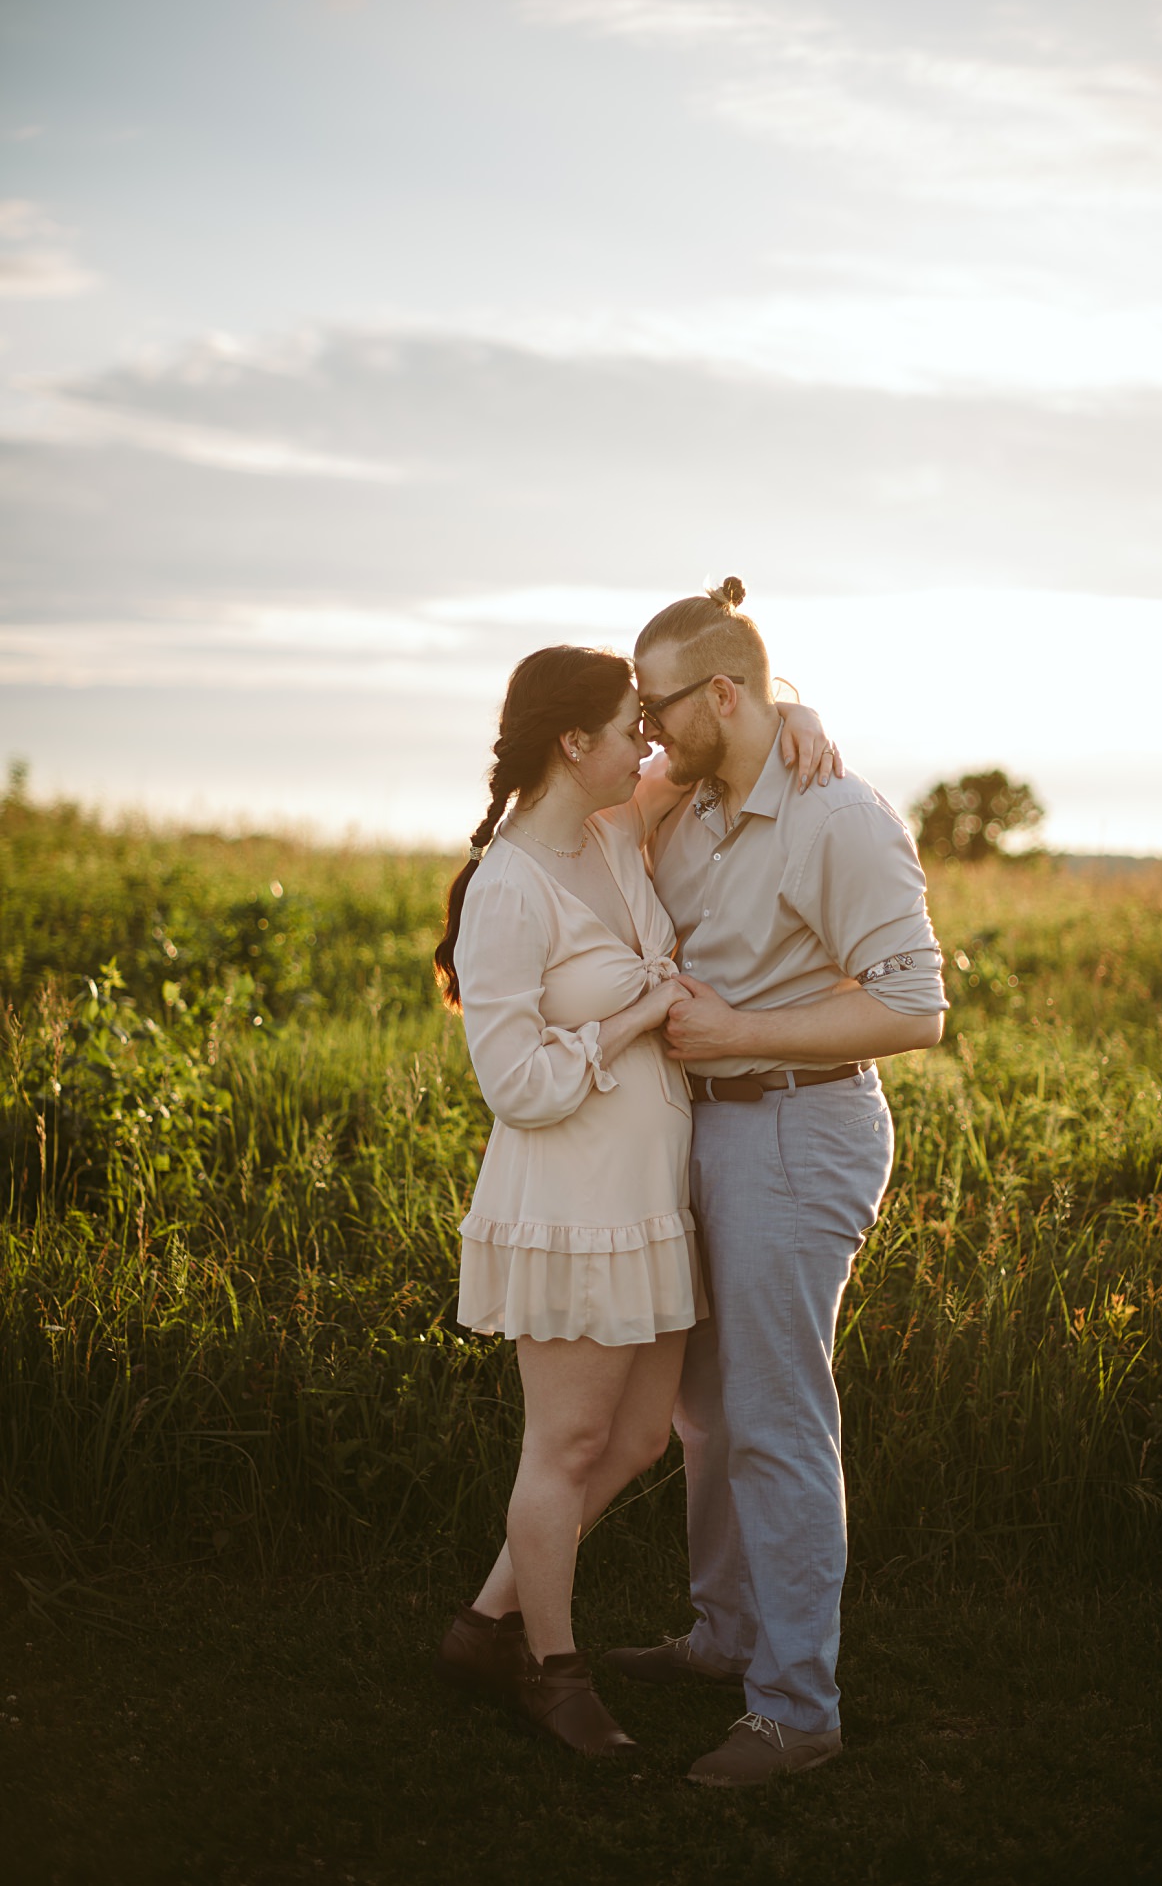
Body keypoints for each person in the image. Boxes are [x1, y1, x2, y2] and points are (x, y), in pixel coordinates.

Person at [432, 642, 835, 1760]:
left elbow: (730, 739)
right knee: (562, 1448)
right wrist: (628, 1021)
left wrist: (797, 718)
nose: (645, 745)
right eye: (626, 730)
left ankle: (482, 1622)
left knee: (641, 1439)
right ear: (574, 742)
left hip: (648, 1196)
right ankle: (552, 1674)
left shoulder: (613, 832)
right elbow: (513, 1086)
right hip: (566, 1206)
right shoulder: (509, 887)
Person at [602, 579, 948, 1788]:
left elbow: (912, 1008)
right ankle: (726, 1637)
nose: (644, 727)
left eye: (657, 707)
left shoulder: (838, 817)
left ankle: (797, 1708)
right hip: (704, 1129)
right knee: (703, 1407)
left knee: (778, 1421)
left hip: (801, 1131)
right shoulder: (687, 802)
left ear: (724, 693)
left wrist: (742, 1032)